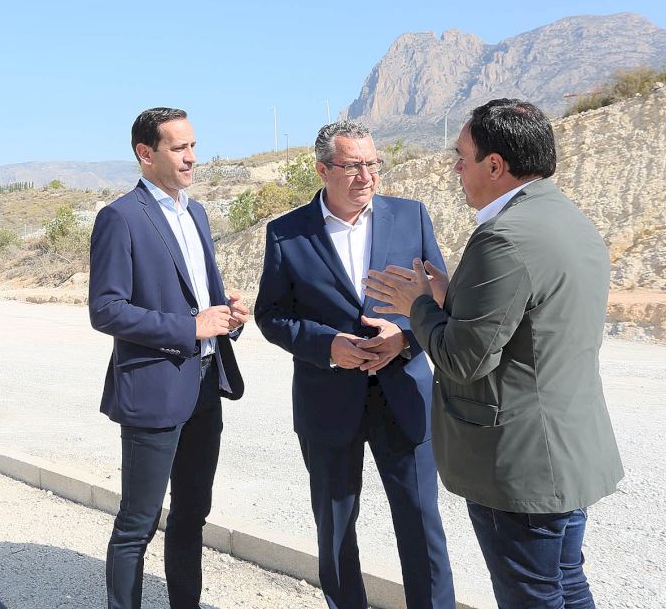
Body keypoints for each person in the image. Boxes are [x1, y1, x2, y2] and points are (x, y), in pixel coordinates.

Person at [365, 99, 624, 609]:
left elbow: (464, 359)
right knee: (565, 584)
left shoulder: (503, 237)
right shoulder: (565, 218)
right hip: (564, 450)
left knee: (532, 595)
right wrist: (451, 298)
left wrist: (417, 305)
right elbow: (528, 322)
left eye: (461, 158)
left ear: (495, 165)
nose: (455, 169)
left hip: (520, 463)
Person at [253, 120, 455, 609]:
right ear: (323, 170)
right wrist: (328, 346)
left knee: (422, 525)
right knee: (336, 529)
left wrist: (405, 337)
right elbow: (272, 315)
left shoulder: (412, 217)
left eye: (373, 164)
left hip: (403, 395)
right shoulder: (286, 233)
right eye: (352, 166)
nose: (366, 176)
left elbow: (443, 299)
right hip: (328, 403)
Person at [89, 107, 248, 609]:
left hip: (206, 383)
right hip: (154, 389)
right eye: (179, 148)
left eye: (193, 146)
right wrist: (190, 327)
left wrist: (227, 315)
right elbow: (106, 310)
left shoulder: (195, 213)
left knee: (191, 515)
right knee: (137, 524)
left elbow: (201, 295)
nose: (192, 157)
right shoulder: (120, 217)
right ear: (146, 153)